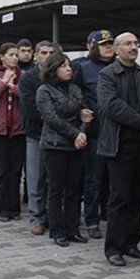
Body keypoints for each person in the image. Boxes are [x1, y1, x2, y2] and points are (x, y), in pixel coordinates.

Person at [97, 32, 140, 267]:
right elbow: (112, 106)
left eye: (136, 43)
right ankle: (114, 248)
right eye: (128, 44)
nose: (133, 47)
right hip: (120, 145)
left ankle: (132, 243)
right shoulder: (107, 75)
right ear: (117, 49)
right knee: (120, 196)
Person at [36, 51, 94, 247]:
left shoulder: (75, 89)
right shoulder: (44, 91)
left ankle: (72, 229)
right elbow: (51, 118)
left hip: (75, 145)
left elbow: (86, 113)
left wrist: (83, 132)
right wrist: (76, 133)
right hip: (54, 146)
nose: (69, 69)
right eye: (63, 66)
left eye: (69, 65)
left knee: (73, 189)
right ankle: (57, 230)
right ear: (53, 69)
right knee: (56, 189)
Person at [74, 29, 116, 239]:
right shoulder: (83, 68)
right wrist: (82, 109)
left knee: (112, 178)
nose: (108, 48)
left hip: (117, 131)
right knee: (94, 179)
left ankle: (108, 212)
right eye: (104, 44)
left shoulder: (119, 67)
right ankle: (91, 219)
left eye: (111, 44)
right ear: (94, 47)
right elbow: (77, 94)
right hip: (96, 132)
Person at [19, 41, 60, 235]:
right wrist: (54, 116)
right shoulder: (28, 79)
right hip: (36, 134)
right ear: (36, 56)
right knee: (35, 178)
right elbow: (30, 108)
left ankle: (53, 216)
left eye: (52, 52)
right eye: (43, 52)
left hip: (60, 136)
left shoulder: (62, 76)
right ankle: (37, 217)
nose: (47, 56)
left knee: (55, 179)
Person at [0, 43, 25, 222]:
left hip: (17, 130)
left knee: (15, 170)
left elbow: (25, 96)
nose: (15, 58)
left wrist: (13, 87)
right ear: (2, 57)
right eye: (11, 55)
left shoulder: (23, 76)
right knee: (1, 171)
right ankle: (1, 209)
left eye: (17, 55)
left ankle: (14, 208)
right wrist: (4, 83)